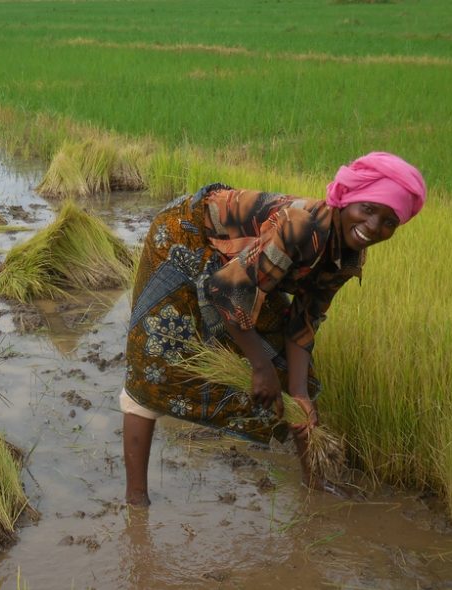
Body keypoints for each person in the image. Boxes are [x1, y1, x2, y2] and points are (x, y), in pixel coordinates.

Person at [121, 152, 427, 506]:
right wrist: (259, 366)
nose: (374, 227)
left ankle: (315, 483)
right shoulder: (303, 227)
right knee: (154, 360)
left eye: (389, 222)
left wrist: (297, 392)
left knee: (298, 380)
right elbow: (226, 289)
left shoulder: (349, 256)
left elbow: (303, 321)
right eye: (368, 210)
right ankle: (136, 500)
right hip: (183, 237)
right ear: (345, 200)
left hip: (236, 267)